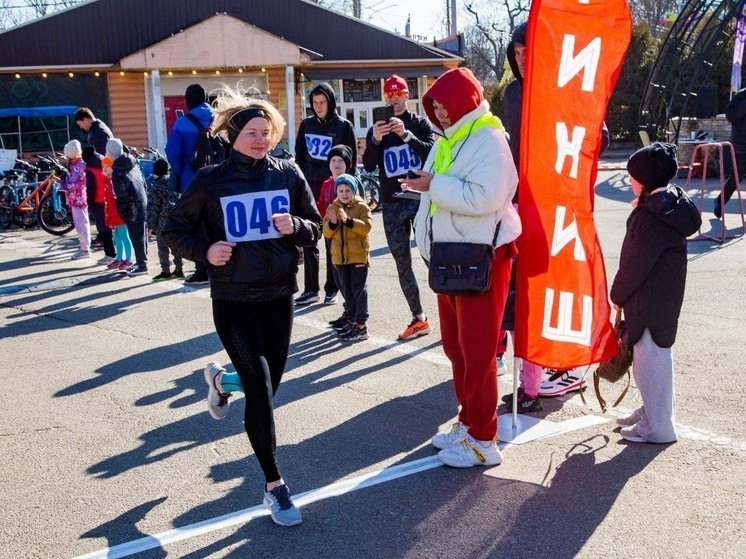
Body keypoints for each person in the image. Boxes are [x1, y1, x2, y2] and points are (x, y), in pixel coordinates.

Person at [162, 88, 322, 527]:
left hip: (278, 296)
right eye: (251, 132)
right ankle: (275, 486)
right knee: (260, 385)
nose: (259, 139)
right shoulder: (210, 181)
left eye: (266, 132)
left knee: (266, 387)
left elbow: (316, 229)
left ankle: (219, 379)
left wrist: (298, 227)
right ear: (232, 135)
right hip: (233, 300)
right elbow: (171, 228)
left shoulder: (288, 174)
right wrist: (205, 250)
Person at [405, 67, 521, 467]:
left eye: (444, 105)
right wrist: (426, 184)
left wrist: (432, 184)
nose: (438, 114)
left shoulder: (488, 138)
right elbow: (439, 186)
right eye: (434, 107)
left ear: (464, 102)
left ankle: (484, 440)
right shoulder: (449, 137)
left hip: (480, 257)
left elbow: (486, 197)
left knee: (477, 351)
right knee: (456, 347)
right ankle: (469, 420)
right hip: (452, 256)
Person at [610, 142, 700, 443]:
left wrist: (617, 293)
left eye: (633, 176)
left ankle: (658, 426)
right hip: (660, 298)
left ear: (645, 180)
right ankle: (653, 412)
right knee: (653, 359)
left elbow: (636, 263)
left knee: (650, 363)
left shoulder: (652, 217)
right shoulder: (667, 205)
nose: (630, 181)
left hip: (648, 301)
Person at [363, 74, 435, 340]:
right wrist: (375, 141)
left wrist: (406, 136)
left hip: (419, 198)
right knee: (402, 262)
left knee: (432, 256)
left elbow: (431, 152)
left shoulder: (418, 123)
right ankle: (419, 318)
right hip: (392, 202)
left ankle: (453, 309)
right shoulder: (378, 128)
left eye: (398, 93)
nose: (394, 99)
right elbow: (368, 165)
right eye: (389, 95)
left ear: (407, 95)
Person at [294, 82, 357, 306]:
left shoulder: (343, 126)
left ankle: (332, 288)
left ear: (330, 102)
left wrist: (349, 191)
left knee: (333, 241)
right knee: (309, 239)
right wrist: (298, 185)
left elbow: (352, 163)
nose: (319, 106)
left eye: (323, 102)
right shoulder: (307, 125)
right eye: (315, 102)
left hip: (333, 190)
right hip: (310, 190)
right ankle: (311, 289)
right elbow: (299, 157)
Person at [165, 83, 216, 285]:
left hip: (193, 180)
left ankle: (203, 270)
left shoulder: (182, 124)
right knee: (219, 221)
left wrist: (182, 173)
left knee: (197, 225)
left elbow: (173, 153)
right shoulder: (218, 118)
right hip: (221, 177)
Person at [323, 173, 373, 341]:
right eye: (341, 190)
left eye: (348, 190)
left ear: (354, 191)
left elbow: (366, 227)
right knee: (347, 290)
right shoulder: (333, 207)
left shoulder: (361, 207)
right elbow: (326, 231)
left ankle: (361, 325)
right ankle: (351, 319)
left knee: (358, 291)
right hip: (340, 258)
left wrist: (349, 221)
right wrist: (333, 223)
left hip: (357, 257)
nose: (344, 194)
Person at [317, 144, 354, 307]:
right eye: (333, 160)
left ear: (347, 164)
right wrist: (324, 224)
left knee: (348, 266)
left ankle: (350, 301)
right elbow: (321, 206)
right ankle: (332, 290)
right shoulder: (326, 184)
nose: (337, 163)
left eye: (340, 160)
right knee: (333, 262)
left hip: (348, 234)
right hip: (330, 232)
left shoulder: (352, 183)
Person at [106, 138, 149, 276]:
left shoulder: (118, 171)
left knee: (136, 236)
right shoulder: (131, 162)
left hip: (132, 206)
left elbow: (121, 195)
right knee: (141, 235)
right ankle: (141, 261)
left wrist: (121, 210)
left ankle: (142, 266)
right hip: (142, 200)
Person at [147, 158, 184, 281]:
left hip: (162, 223)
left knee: (163, 248)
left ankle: (165, 271)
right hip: (175, 220)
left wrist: (151, 225)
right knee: (175, 246)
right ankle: (179, 269)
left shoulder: (156, 186)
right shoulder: (173, 182)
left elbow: (154, 207)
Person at [713, 88, 746, 218]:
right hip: (741, 145)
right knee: (736, 178)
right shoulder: (740, 96)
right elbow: (731, 115)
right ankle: (720, 201)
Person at [82, 146, 117, 265]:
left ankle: (110, 254)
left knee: (104, 229)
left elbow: (90, 189)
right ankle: (113, 254)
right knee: (110, 229)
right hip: (107, 199)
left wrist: (89, 202)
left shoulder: (90, 169)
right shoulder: (102, 162)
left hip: (98, 202)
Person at [59, 140, 91, 260]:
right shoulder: (78, 164)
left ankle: (84, 248)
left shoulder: (78, 166)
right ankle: (83, 246)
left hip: (78, 199)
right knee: (80, 224)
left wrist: (61, 182)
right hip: (77, 198)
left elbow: (71, 185)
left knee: (81, 224)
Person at [101, 156, 133, 270]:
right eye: (103, 167)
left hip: (120, 215)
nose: (104, 169)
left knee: (124, 237)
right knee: (117, 237)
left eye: (107, 167)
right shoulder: (107, 181)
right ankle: (119, 258)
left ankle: (128, 259)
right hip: (112, 215)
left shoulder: (115, 181)